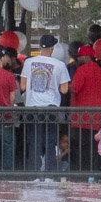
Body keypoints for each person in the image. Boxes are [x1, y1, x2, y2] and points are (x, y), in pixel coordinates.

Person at [20, 34, 70, 176]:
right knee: (51, 142)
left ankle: (33, 173)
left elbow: (22, 86)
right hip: (51, 107)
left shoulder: (29, 62)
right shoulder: (60, 65)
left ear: (39, 47)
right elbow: (64, 89)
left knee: (34, 142)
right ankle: (50, 173)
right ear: (52, 48)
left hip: (32, 107)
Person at [69, 45, 101, 171]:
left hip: (80, 118)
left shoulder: (82, 70)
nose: (77, 60)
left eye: (79, 57)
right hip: (96, 119)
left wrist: (63, 84)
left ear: (85, 57)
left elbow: (74, 89)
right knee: (94, 150)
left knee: (79, 150)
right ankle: (93, 175)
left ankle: (79, 177)